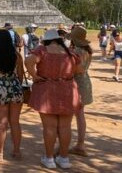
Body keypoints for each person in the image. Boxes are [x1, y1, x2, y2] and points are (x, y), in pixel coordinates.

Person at [25, 29, 82, 169]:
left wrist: (35, 75)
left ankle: (49, 158)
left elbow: (28, 61)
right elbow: (80, 69)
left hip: (47, 89)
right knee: (65, 126)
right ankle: (64, 158)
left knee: (49, 127)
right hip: (68, 89)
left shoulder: (42, 50)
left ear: (46, 40)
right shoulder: (69, 51)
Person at [0, 29, 24, 161]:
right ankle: (17, 151)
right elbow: (20, 76)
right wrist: (15, 85)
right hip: (15, 88)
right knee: (15, 122)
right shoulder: (17, 56)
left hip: (0, 88)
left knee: (2, 123)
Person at [69, 26, 93, 157]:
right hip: (85, 82)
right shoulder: (87, 50)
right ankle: (80, 144)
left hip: (76, 83)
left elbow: (76, 70)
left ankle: (75, 144)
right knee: (80, 115)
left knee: (68, 115)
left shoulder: (77, 51)